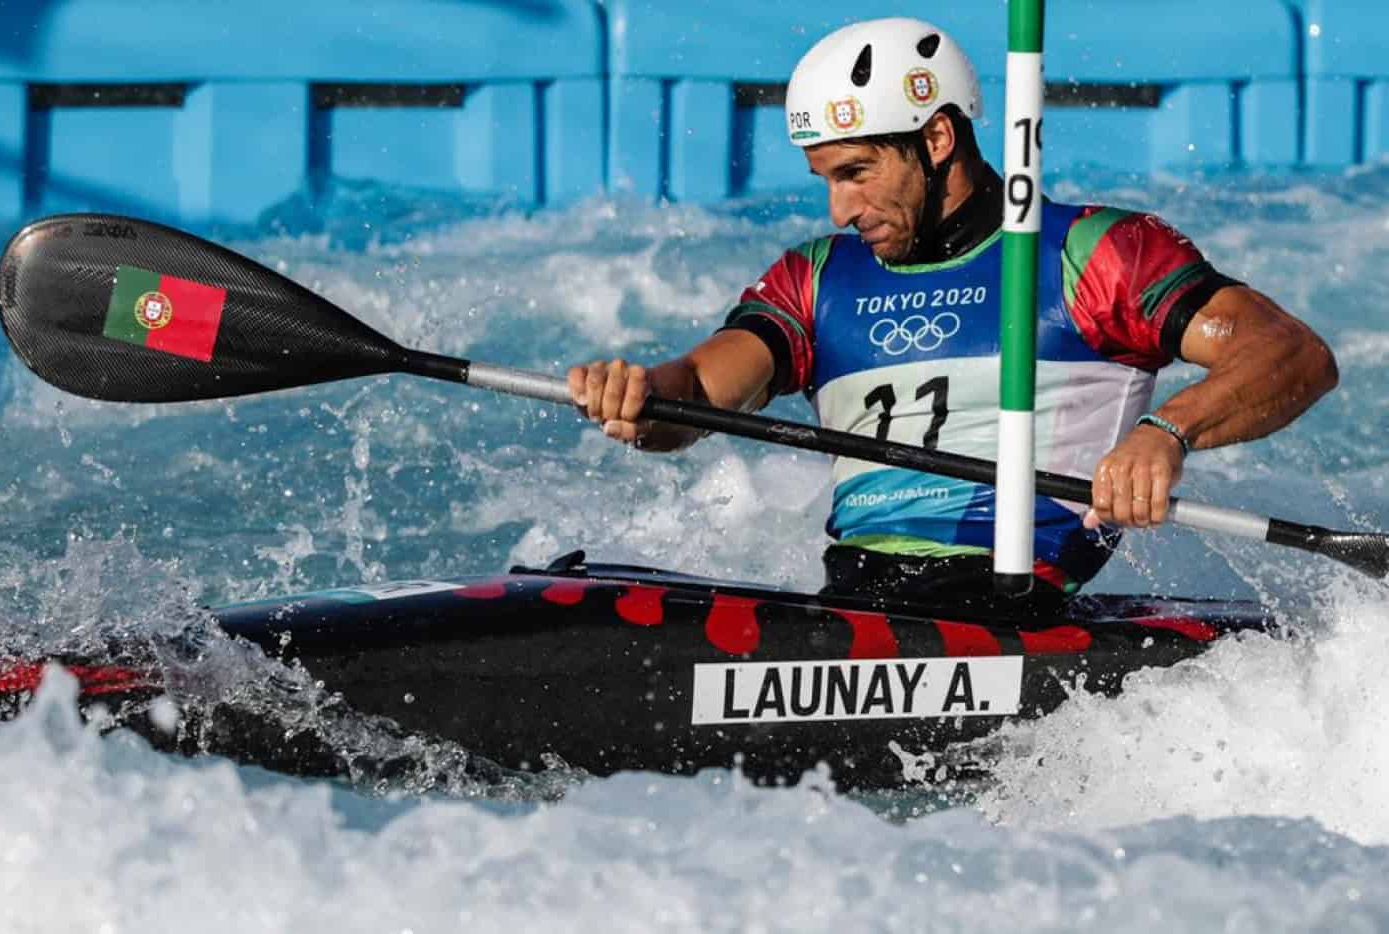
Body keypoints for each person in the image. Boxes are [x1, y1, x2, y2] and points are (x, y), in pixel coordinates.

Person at [567, 17, 1338, 607]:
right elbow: (698, 393)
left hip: (1023, 600)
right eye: (826, 179)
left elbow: (1291, 352)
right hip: (858, 602)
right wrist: (639, 397)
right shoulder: (815, 276)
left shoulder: (1092, 253)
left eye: (858, 172)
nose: (840, 208)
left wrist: (1166, 433)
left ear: (936, 137)